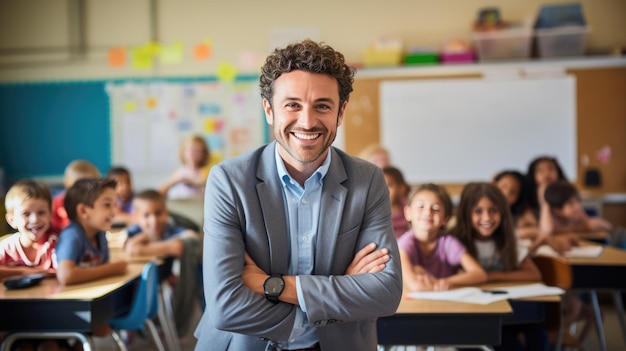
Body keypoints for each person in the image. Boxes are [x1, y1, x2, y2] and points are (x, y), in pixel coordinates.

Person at [193, 39, 402, 351]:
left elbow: (385, 292)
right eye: (292, 104)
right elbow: (226, 305)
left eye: (322, 106)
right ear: (269, 110)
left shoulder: (368, 179)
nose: (307, 121)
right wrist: (327, 303)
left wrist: (272, 286)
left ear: (340, 112)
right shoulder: (229, 181)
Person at [451, 183, 547, 351]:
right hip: (475, 316)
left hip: (509, 314)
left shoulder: (507, 240)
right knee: (512, 347)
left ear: (503, 212)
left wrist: (491, 276)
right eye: (478, 211)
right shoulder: (455, 242)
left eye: (493, 210)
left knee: (539, 337)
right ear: (466, 213)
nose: (487, 218)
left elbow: (533, 274)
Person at [123, 189, 202, 337]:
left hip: (161, 279)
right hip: (135, 285)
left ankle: (169, 328)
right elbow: (132, 248)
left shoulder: (169, 229)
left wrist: (145, 248)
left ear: (166, 213)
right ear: (136, 218)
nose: (153, 220)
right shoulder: (135, 231)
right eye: (146, 215)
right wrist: (149, 238)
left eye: (158, 213)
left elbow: (181, 244)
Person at [398, 183, 487, 292]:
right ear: (408, 213)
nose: (428, 212)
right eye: (421, 206)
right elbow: (415, 286)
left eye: (436, 208)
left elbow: (480, 274)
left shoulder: (448, 242)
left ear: (445, 219)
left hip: (447, 303)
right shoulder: (404, 244)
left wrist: (445, 282)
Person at [55, 178, 127, 286]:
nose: (114, 212)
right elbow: (66, 275)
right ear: (83, 211)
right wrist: (112, 269)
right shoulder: (71, 235)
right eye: (107, 205)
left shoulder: (100, 234)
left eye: (114, 205)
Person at [1, 180, 57, 280]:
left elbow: (64, 271)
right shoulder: (6, 248)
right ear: (12, 220)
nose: (35, 220)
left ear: (50, 214)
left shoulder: (55, 243)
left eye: (41, 212)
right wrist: (25, 272)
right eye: (26, 214)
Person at [540, 180, 613, 234]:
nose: (577, 206)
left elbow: (608, 226)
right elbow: (547, 231)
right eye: (570, 203)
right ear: (556, 210)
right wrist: (546, 204)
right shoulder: (551, 219)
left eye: (578, 201)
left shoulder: (577, 217)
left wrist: (585, 221)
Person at [51, 160, 101, 233]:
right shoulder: (56, 204)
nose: (85, 191)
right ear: (69, 185)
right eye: (80, 187)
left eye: (91, 187)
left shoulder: (95, 203)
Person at [159, 135, 211, 200]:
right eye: (188, 150)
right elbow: (161, 191)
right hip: (178, 204)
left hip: (197, 205)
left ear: (203, 154)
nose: (192, 153)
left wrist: (195, 182)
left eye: (196, 150)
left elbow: (209, 185)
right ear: (182, 152)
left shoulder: (206, 172)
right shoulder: (179, 172)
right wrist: (177, 180)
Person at [383, 166, 410, 239]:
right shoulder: (374, 214)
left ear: (401, 188)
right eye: (380, 187)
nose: (383, 191)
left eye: (388, 186)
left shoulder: (411, 209)